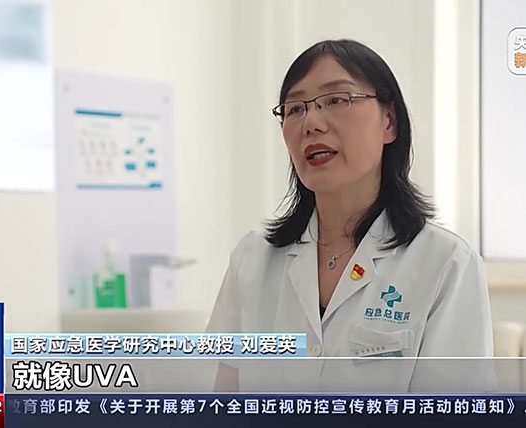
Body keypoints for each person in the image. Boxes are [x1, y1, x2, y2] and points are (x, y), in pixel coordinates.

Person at [206, 39, 493, 391]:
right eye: (295, 109)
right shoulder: (251, 260)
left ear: (389, 122)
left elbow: (456, 409)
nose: (311, 122)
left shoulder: (446, 263)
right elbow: (224, 401)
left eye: (336, 100)